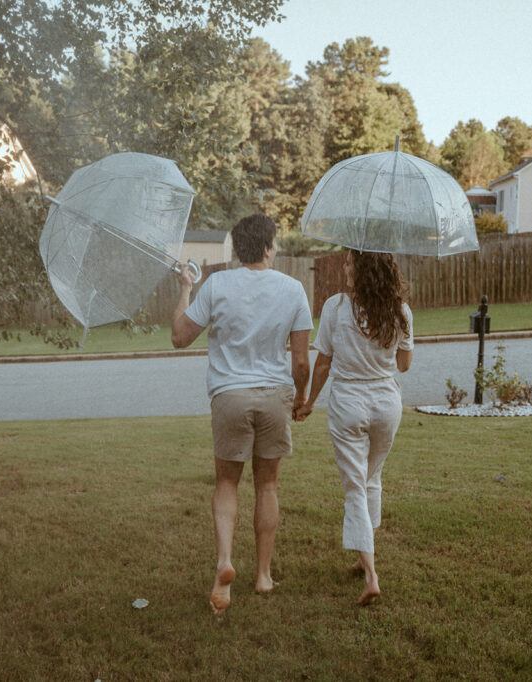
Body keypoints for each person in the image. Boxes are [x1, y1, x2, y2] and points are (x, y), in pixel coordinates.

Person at [171, 213, 312, 615]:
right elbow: (301, 362)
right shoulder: (293, 289)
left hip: (229, 396)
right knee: (267, 486)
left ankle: (224, 562)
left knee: (226, 483)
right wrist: (301, 398)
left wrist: (185, 289)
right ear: (268, 247)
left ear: (236, 248)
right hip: (273, 397)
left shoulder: (216, 285)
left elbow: (180, 336)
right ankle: (264, 576)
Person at [295, 249, 413, 605]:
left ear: (362, 269)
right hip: (386, 404)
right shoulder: (401, 311)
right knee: (371, 479)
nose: (345, 266)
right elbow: (404, 364)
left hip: (348, 404)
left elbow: (323, 365)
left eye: (349, 262)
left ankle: (372, 575)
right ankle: (364, 560)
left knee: (355, 487)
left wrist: (309, 401)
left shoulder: (335, 308)